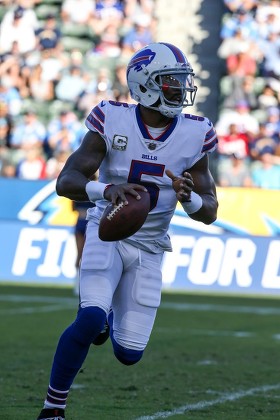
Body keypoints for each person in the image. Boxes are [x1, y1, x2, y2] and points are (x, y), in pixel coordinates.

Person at [37, 42, 218, 420]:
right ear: (145, 84)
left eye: (181, 81)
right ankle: (53, 409)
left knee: (129, 354)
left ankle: (108, 316)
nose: (180, 90)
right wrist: (107, 189)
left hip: (151, 246)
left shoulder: (196, 132)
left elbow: (210, 211)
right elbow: (66, 180)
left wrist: (190, 199)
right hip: (107, 230)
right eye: (171, 81)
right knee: (88, 319)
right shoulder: (110, 117)